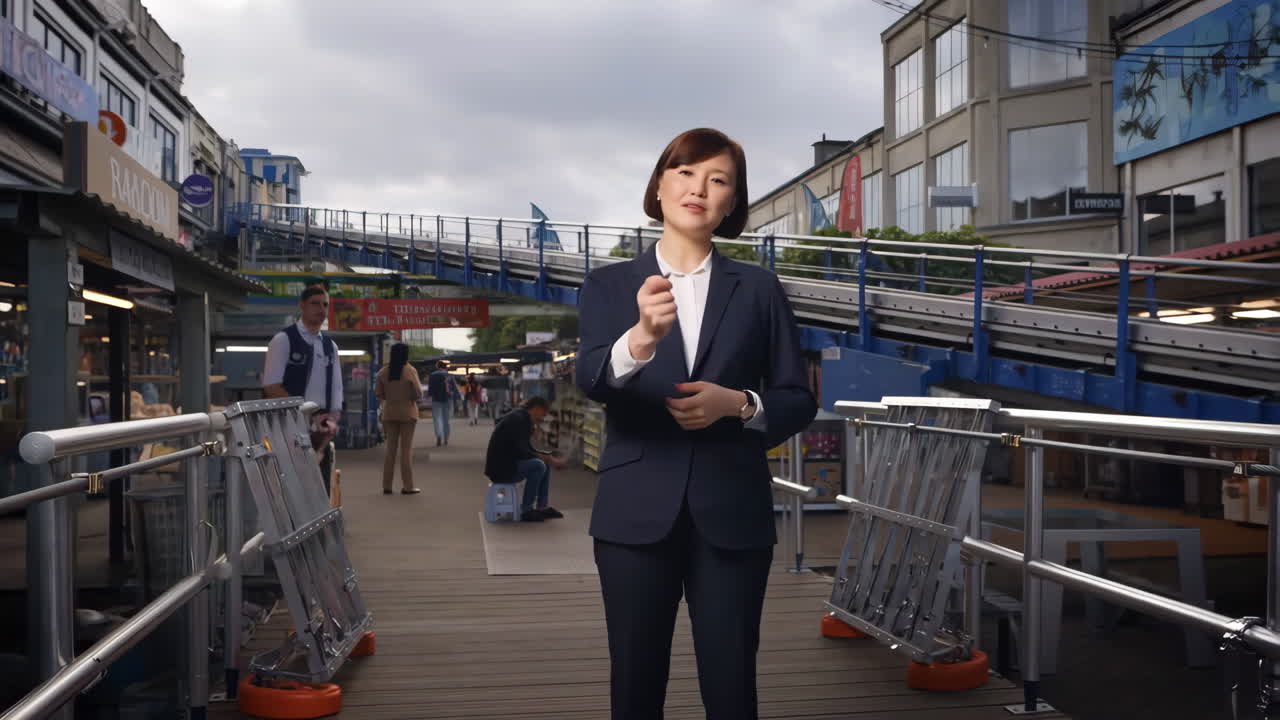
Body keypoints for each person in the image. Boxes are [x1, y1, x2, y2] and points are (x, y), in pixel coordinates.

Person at [575, 128, 817, 719]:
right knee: (634, 683)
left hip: (732, 511)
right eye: (684, 173)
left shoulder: (759, 289)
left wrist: (737, 404)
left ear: (732, 203)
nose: (698, 189)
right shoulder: (607, 285)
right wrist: (639, 340)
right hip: (634, 512)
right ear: (659, 187)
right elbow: (588, 378)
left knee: (733, 685)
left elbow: (797, 397)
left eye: (718, 180)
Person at [263, 285, 345, 494]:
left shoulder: (330, 346)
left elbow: (336, 390)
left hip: (321, 429)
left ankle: (318, 526)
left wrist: (331, 424)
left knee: (320, 488)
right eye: (315, 304)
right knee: (290, 488)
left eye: (325, 305)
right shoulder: (283, 340)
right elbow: (271, 386)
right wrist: (301, 415)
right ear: (302, 305)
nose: (321, 309)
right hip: (289, 427)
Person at [483, 396, 566, 521]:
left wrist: (546, 457)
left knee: (544, 462)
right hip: (501, 470)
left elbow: (525, 449)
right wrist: (546, 457)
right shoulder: (519, 420)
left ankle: (542, 507)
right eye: (543, 414)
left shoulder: (522, 418)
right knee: (539, 465)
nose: (543, 418)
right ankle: (526, 510)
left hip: (507, 464)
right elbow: (522, 452)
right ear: (537, 409)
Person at [374, 343, 422, 495]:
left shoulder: (383, 372)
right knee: (406, 451)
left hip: (389, 413)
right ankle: (408, 486)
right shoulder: (410, 370)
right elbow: (418, 393)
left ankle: (386, 486)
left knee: (390, 451)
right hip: (408, 413)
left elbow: (379, 393)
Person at [425, 360, 456, 446]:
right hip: (447, 399)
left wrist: (429, 395)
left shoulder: (433, 375)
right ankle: (446, 437)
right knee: (446, 419)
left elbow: (430, 389)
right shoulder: (449, 375)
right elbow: (453, 388)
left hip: (436, 399)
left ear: (438, 366)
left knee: (437, 418)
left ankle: (438, 435)